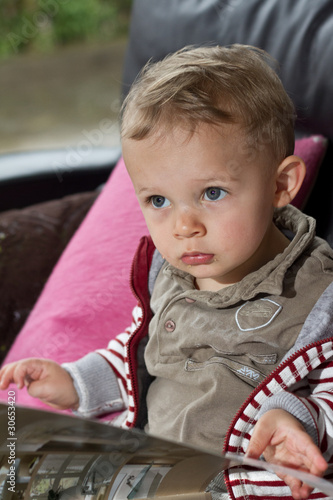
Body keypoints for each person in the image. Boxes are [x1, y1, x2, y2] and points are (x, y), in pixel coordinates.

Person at [1, 45, 333, 500]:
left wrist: (296, 417)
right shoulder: (171, 277)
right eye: (158, 201)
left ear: (281, 185)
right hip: (151, 476)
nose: (184, 227)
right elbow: (143, 354)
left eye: (212, 193)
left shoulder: (318, 296)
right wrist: (78, 382)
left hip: (241, 484)